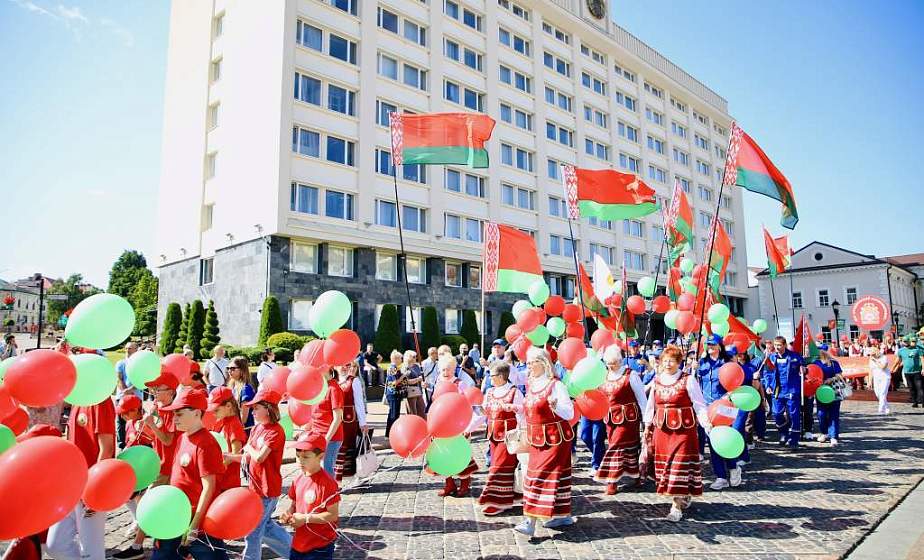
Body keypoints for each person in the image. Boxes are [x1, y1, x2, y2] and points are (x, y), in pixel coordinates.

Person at [152, 389, 229, 560]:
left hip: (197, 522)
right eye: (174, 414)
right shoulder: (182, 438)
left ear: (196, 413)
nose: (174, 418)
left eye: (179, 414)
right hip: (175, 516)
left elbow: (209, 487)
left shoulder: (206, 443)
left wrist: (195, 525)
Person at [46, 388, 116, 560]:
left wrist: (95, 492)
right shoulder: (77, 400)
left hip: (90, 487)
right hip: (71, 485)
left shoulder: (100, 399)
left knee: (91, 552)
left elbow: (107, 449)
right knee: (55, 546)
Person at [643, 345, 711, 522]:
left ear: (679, 362)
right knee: (667, 467)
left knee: (679, 466)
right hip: (662, 432)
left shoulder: (688, 380)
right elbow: (651, 405)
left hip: (683, 432)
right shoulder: (657, 380)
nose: (667, 364)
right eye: (665, 361)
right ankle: (682, 494)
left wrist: (706, 424)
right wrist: (647, 425)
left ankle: (676, 507)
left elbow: (699, 404)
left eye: (671, 361)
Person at [514, 347, 575, 537]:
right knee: (545, 476)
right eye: (528, 363)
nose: (529, 366)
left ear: (543, 363)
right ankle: (562, 515)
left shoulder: (556, 385)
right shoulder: (531, 384)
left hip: (555, 440)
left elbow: (569, 413)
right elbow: (529, 411)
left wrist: (555, 407)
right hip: (536, 440)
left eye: (532, 362)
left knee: (539, 477)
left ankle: (530, 521)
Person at [226, 388, 292, 560]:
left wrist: (249, 447)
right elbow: (248, 458)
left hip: (267, 488)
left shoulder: (275, 431)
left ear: (268, 409)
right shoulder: (256, 429)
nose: (252, 412)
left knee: (253, 531)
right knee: (267, 527)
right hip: (256, 487)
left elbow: (260, 457)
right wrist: (229, 457)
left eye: (256, 408)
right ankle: (299, 554)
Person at [595, 345, 647, 495]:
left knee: (616, 446)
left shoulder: (631, 375)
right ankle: (636, 475)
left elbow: (641, 398)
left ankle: (612, 481)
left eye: (613, 363)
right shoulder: (603, 375)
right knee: (628, 448)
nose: (611, 366)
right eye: (608, 364)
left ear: (620, 360)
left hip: (628, 419)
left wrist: (647, 420)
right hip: (610, 419)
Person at [280, 432, 340, 560]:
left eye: (306, 457)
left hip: (319, 546)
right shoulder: (297, 480)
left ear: (321, 456)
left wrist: (306, 518)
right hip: (298, 543)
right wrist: (288, 515)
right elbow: (294, 505)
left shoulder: (327, 483)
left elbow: (332, 515)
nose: (300, 461)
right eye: (298, 456)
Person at [478, 362, 524, 515]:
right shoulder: (490, 392)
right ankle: (512, 497)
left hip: (508, 437)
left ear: (501, 376)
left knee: (500, 467)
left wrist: (522, 431)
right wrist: (469, 426)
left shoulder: (514, 392)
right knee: (498, 465)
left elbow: (523, 412)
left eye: (491, 375)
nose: (489, 378)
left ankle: (498, 501)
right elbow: (484, 412)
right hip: (493, 436)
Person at [430, 355, 479, 497]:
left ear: (454, 369)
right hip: (442, 426)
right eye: (443, 369)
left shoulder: (460, 384)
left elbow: (468, 405)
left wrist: (467, 426)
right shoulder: (438, 383)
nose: (446, 372)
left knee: (460, 454)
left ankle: (464, 484)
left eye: (449, 369)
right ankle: (449, 484)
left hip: (458, 425)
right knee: (444, 454)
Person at [696, 334, 740, 490]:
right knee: (713, 442)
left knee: (725, 440)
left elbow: (735, 384)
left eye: (713, 345)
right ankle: (721, 477)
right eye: (708, 344)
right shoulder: (701, 363)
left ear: (720, 346)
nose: (710, 347)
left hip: (724, 407)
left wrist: (727, 396)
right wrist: (692, 368)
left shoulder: (727, 363)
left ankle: (733, 467)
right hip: (707, 408)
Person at [765, 336, 804, 449]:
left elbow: (805, 368)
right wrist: (768, 385)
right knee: (776, 413)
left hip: (792, 390)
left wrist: (804, 369)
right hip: (777, 390)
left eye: (779, 345)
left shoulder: (795, 356)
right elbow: (767, 373)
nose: (777, 347)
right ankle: (783, 433)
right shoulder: (771, 357)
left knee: (793, 415)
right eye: (775, 345)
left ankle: (794, 440)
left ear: (785, 345)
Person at [144, 369, 180, 484]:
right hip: (159, 463)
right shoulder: (159, 408)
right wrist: (145, 426)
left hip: (167, 467)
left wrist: (152, 425)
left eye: (158, 389)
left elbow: (168, 441)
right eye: (154, 389)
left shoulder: (172, 412)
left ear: (171, 392)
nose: (154, 392)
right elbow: (155, 437)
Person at [207, 387, 246, 490]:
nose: (213, 413)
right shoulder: (220, 421)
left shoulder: (234, 425)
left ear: (228, 406)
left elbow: (235, 454)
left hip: (228, 482)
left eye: (216, 410)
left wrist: (216, 468)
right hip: (218, 480)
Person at [334, 360, 367, 481]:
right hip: (335, 421)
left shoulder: (354, 381)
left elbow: (359, 403)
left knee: (347, 446)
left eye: (347, 365)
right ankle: (335, 477)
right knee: (336, 447)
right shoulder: (333, 381)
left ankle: (350, 476)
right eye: (341, 364)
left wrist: (363, 423)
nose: (344, 367)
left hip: (349, 421)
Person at [311, 368, 345, 476]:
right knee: (318, 470)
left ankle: (331, 487)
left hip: (331, 438)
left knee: (327, 470)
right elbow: (316, 412)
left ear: (328, 369)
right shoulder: (319, 387)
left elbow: (337, 418)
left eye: (319, 368)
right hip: (317, 436)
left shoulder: (334, 389)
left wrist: (326, 440)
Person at [814, 344, 844, 445]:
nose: (820, 352)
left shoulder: (833, 363)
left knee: (834, 414)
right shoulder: (815, 363)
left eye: (822, 350)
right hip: (820, 391)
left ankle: (833, 436)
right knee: (821, 414)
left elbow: (839, 375)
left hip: (833, 391)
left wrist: (831, 379)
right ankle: (824, 433)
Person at [114, 341, 141, 448]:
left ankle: (136, 443)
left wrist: (131, 389)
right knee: (121, 422)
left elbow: (141, 379)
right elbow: (119, 379)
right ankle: (122, 445)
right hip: (122, 397)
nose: (127, 350)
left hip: (136, 397)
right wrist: (126, 391)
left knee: (137, 421)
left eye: (130, 348)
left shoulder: (139, 365)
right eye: (126, 348)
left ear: (136, 350)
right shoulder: (120, 363)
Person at [228, 356, 258, 432]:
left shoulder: (246, 389)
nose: (229, 371)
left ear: (242, 370)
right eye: (228, 368)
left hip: (243, 430)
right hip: (235, 426)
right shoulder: (234, 385)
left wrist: (235, 430)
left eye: (233, 368)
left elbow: (244, 418)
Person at [384, 351, 406, 438]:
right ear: (395, 359)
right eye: (400, 358)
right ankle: (391, 434)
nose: (401, 360)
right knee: (394, 415)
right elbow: (394, 383)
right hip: (393, 394)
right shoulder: (392, 368)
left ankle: (389, 434)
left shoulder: (394, 367)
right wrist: (403, 376)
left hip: (394, 394)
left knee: (393, 414)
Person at [897, 337, 923, 408]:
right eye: (904, 341)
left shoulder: (917, 349)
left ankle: (923, 401)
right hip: (907, 372)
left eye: (906, 341)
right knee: (911, 387)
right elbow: (898, 360)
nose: (905, 343)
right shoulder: (901, 351)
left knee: (919, 387)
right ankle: (915, 402)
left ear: (909, 341)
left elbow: (922, 358)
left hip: (917, 371)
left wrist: (923, 369)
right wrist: (895, 368)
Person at [402, 350, 426, 418]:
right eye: (413, 357)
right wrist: (417, 379)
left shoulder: (416, 366)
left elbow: (421, 377)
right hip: (410, 393)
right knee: (413, 413)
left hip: (419, 391)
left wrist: (422, 382)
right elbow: (405, 381)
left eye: (415, 356)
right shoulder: (405, 368)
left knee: (422, 411)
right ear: (408, 358)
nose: (415, 358)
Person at [869, 345, 891, 414]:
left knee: (882, 393)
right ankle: (887, 407)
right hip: (876, 378)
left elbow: (883, 367)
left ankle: (881, 410)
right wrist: (869, 381)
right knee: (878, 394)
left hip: (885, 378)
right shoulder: (871, 359)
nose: (871, 355)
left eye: (872, 353)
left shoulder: (884, 357)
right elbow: (870, 371)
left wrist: (875, 361)